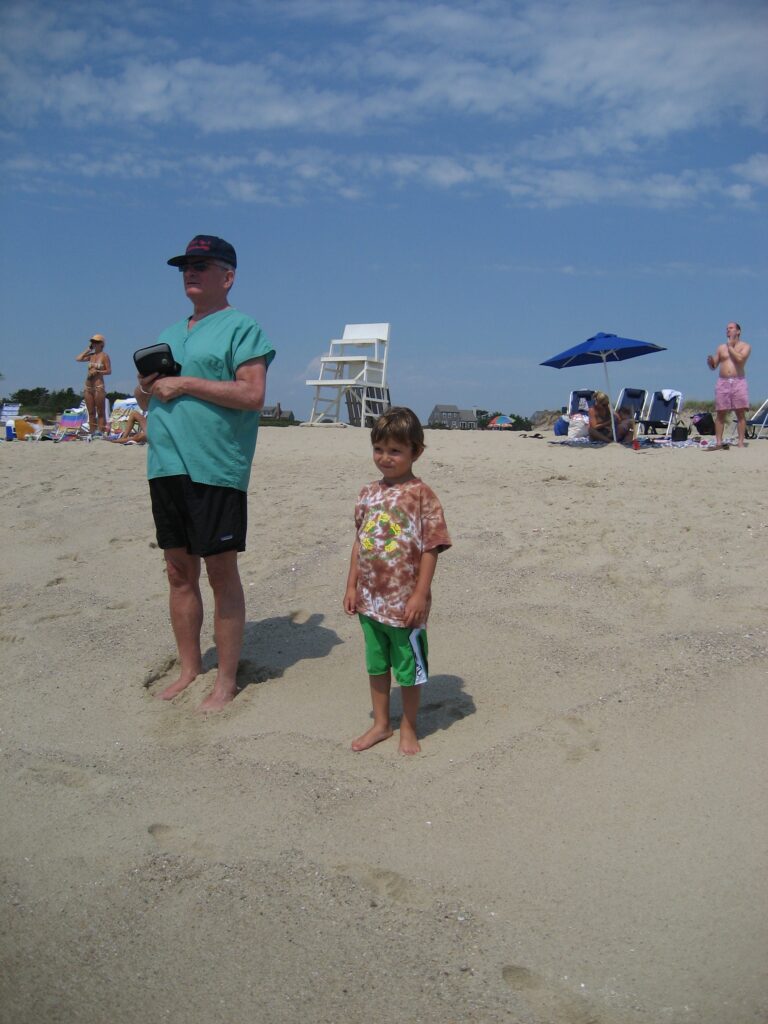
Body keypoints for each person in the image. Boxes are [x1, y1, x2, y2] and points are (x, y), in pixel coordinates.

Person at [134, 235, 275, 712]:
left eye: (201, 265)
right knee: (177, 572)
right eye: (185, 267)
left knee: (220, 571)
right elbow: (150, 400)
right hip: (165, 464)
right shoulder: (170, 332)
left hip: (216, 467)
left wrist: (187, 382)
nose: (190, 272)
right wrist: (146, 389)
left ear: (227, 276)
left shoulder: (243, 327)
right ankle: (190, 667)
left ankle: (226, 680)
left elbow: (252, 395)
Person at [343, 407, 451, 755]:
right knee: (376, 664)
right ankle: (380, 723)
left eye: (395, 451)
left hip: (405, 604)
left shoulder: (422, 495)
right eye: (379, 449)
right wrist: (351, 586)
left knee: (408, 668)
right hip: (370, 601)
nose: (385, 458)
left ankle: (408, 725)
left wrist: (420, 594)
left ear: (415, 452)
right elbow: (361, 542)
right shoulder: (367, 493)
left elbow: (431, 547)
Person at [707, 322, 751, 447]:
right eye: (727, 329)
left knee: (740, 413)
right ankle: (719, 442)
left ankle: (741, 442)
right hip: (723, 382)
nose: (728, 330)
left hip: (739, 381)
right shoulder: (721, 348)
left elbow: (740, 359)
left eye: (731, 328)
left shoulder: (745, 346)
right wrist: (710, 362)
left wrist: (731, 347)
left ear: (738, 331)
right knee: (720, 412)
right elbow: (714, 366)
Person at [75, 334, 111, 435]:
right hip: (88, 386)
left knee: (100, 411)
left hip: (98, 385)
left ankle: (100, 431)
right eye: (93, 342)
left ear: (101, 344)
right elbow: (78, 358)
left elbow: (109, 371)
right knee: (90, 412)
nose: (94, 344)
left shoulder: (104, 356)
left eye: (96, 342)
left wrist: (98, 372)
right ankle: (92, 432)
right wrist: (88, 349)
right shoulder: (91, 356)